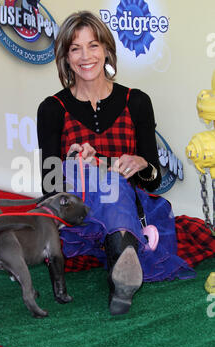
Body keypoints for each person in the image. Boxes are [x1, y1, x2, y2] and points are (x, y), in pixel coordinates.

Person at [37, 10, 195, 315]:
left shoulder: (137, 101)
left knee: (117, 184)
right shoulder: (52, 108)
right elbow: (49, 186)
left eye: (93, 45)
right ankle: (122, 253)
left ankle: (121, 253)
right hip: (78, 216)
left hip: (133, 208)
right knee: (105, 180)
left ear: (107, 49)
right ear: (65, 57)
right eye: (75, 48)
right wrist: (76, 165)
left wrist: (140, 163)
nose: (86, 56)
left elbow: (150, 179)